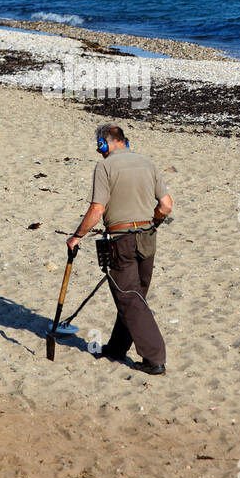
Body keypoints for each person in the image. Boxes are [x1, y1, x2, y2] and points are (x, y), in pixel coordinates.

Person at [66, 124, 173, 375]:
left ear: (105, 143)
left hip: (121, 239)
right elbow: (166, 206)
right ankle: (116, 348)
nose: (98, 150)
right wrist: (152, 221)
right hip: (148, 237)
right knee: (135, 296)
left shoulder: (105, 166)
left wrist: (77, 236)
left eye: (99, 145)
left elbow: (97, 209)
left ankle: (154, 358)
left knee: (129, 298)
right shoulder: (148, 163)